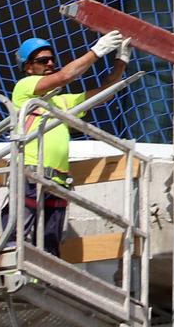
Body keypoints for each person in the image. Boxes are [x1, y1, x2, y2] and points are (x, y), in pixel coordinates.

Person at [7, 30, 131, 256]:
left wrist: (120, 62)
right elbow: (65, 76)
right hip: (29, 175)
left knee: (50, 246)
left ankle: (43, 286)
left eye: (52, 59)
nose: (50, 63)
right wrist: (97, 51)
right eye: (43, 61)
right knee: (17, 240)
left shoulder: (61, 102)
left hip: (58, 182)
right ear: (28, 67)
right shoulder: (25, 88)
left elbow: (103, 95)